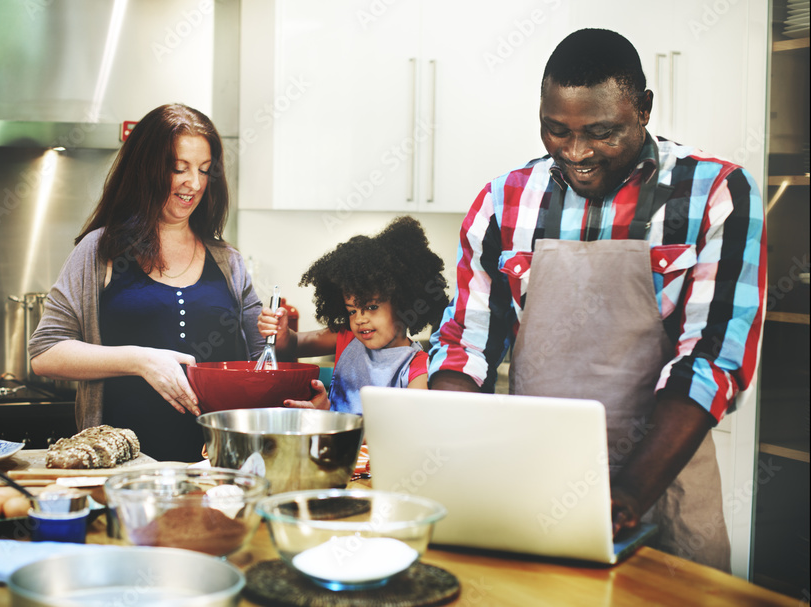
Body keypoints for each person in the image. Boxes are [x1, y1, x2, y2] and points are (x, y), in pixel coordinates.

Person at [428, 29, 766, 571]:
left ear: (645, 110)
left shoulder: (716, 194)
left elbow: (710, 361)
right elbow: (466, 342)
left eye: (602, 132)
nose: (577, 153)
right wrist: (438, 452)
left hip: (662, 488)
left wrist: (623, 497)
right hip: (532, 485)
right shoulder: (503, 201)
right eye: (555, 130)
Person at [29, 103, 265, 463]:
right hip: (126, 471)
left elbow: (261, 361)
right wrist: (140, 360)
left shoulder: (227, 260)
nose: (195, 184)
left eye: (204, 170)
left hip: (219, 470)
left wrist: (299, 387)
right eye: (179, 169)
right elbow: (45, 353)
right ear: (147, 170)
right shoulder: (101, 250)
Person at [259, 216, 449, 413]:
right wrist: (280, 333)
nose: (360, 319)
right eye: (352, 310)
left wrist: (328, 416)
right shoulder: (347, 337)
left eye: (372, 307)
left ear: (402, 304)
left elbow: (407, 429)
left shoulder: (418, 367)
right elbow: (293, 344)